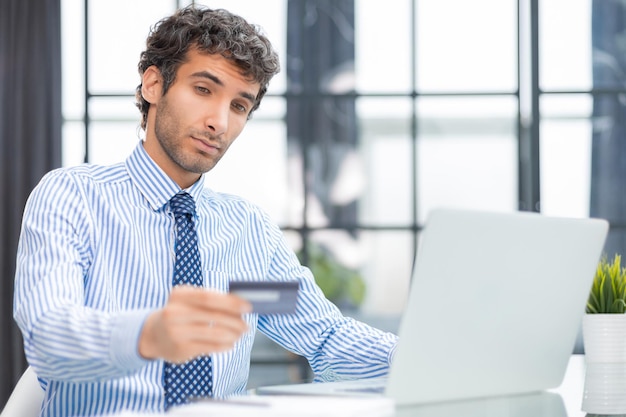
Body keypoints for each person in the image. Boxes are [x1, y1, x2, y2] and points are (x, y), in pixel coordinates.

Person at [13, 5, 398, 417]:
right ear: (153, 85)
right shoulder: (72, 197)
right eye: (203, 89)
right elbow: (49, 336)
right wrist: (148, 335)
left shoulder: (247, 231)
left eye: (238, 106)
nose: (219, 122)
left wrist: (427, 356)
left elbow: (324, 337)